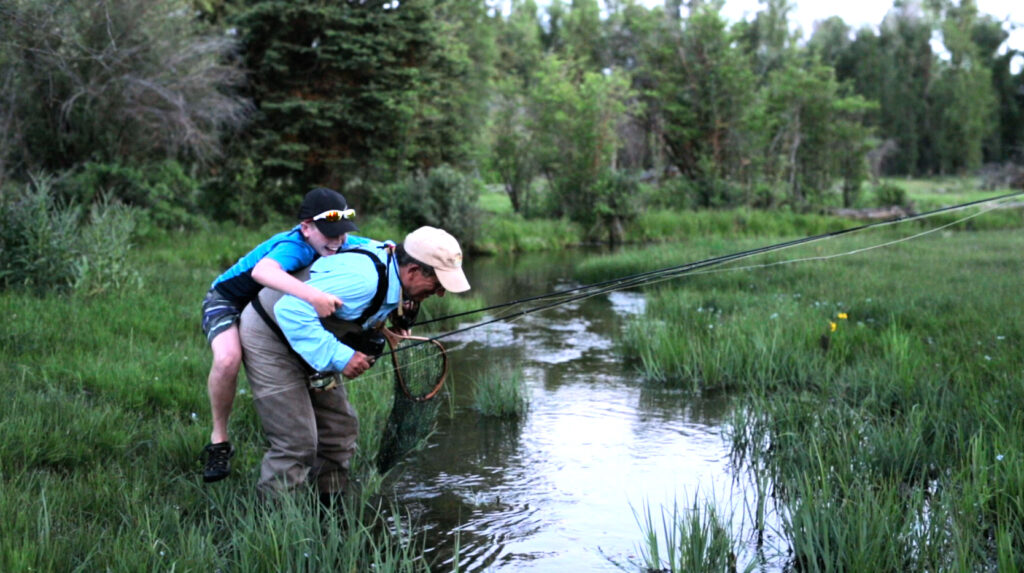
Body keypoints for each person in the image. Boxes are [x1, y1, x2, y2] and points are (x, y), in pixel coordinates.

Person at [237, 226, 470, 503]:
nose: (441, 293)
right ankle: (274, 522)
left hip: (310, 336)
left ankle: (330, 508)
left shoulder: (391, 270)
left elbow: (351, 310)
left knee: (339, 429)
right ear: (414, 272)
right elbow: (290, 310)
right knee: (296, 441)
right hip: (271, 336)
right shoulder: (363, 279)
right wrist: (343, 357)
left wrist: (383, 327)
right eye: (438, 284)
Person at [200, 187, 364, 483]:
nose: (338, 241)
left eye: (342, 233)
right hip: (228, 301)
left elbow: (377, 248)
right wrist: (312, 296)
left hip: (268, 313)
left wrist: (394, 249)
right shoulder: (295, 245)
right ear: (306, 228)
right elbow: (263, 273)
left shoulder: (339, 242)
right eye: (330, 234)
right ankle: (219, 440)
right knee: (228, 359)